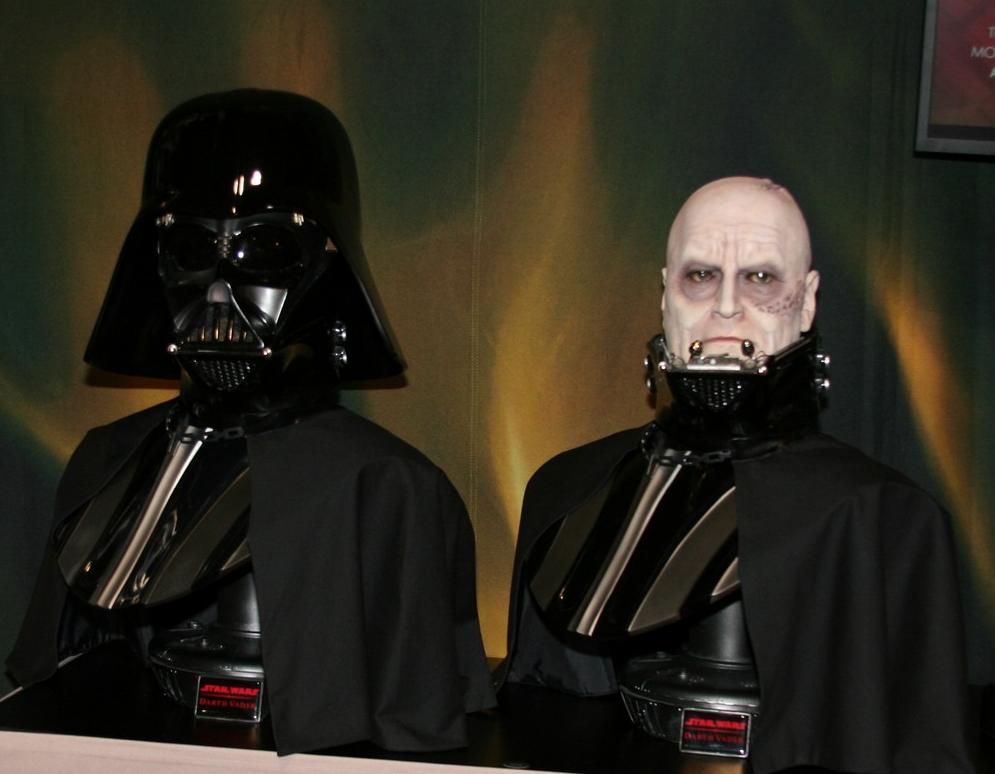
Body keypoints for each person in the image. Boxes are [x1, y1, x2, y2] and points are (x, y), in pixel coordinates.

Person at [6, 89, 495, 755]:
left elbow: (417, 702)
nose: (217, 291)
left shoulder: (386, 484)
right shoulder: (108, 460)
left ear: (325, 266)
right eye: (190, 247)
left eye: (262, 249)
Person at [501, 177, 974, 773]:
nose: (726, 306)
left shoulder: (885, 517)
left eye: (760, 278)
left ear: (807, 301)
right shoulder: (568, 490)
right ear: (666, 294)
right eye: (700, 275)